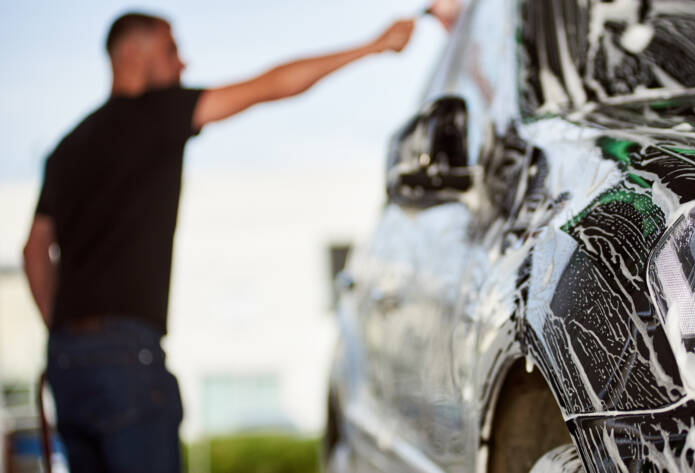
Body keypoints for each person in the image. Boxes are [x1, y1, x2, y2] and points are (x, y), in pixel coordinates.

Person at [21, 11, 413, 472]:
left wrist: (64, 334)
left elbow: (34, 250)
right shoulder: (158, 113)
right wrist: (372, 46)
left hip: (68, 364)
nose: (183, 64)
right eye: (171, 50)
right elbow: (271, 85)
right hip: (126, 357)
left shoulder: (67, 148)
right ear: (130, 54)